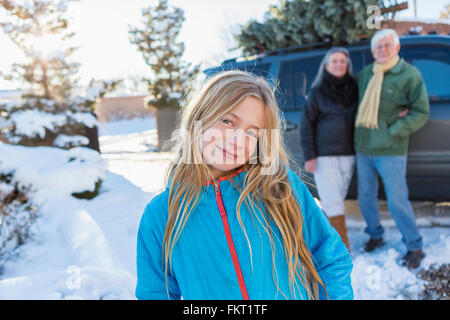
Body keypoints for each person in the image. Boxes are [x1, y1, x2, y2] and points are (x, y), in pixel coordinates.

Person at [135, 70, 353, 300]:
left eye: (251, 133)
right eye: (228, 121)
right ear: (200, 117)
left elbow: (331, 260)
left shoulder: (280, 189)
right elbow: (156, 294)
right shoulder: (161, 214)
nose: (237, 140)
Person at [354, 28, 429, 269]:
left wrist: (394, 130)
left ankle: (415, 246)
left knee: (397, 201)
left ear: (397, 48)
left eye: (387, 45)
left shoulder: (408, 74)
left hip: (391, 149)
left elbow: (421, 111)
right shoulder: (366, 74)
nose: (383, 50)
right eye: (378, 46)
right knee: (365, 198)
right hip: (364, 148)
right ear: (372, 51)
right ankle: (375, 234)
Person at [300, 47, 359, 253]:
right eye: (334, 61)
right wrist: (310, 155)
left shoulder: (354, 88)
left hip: (349, 153)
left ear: (347, 64)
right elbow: (306, 125)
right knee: (332, 201)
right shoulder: (317, 92)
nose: (339, 64)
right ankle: (343, 248)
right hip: (324, 155)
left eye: (343, 61)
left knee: (336, 200)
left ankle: (320, 239)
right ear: (326, 65)